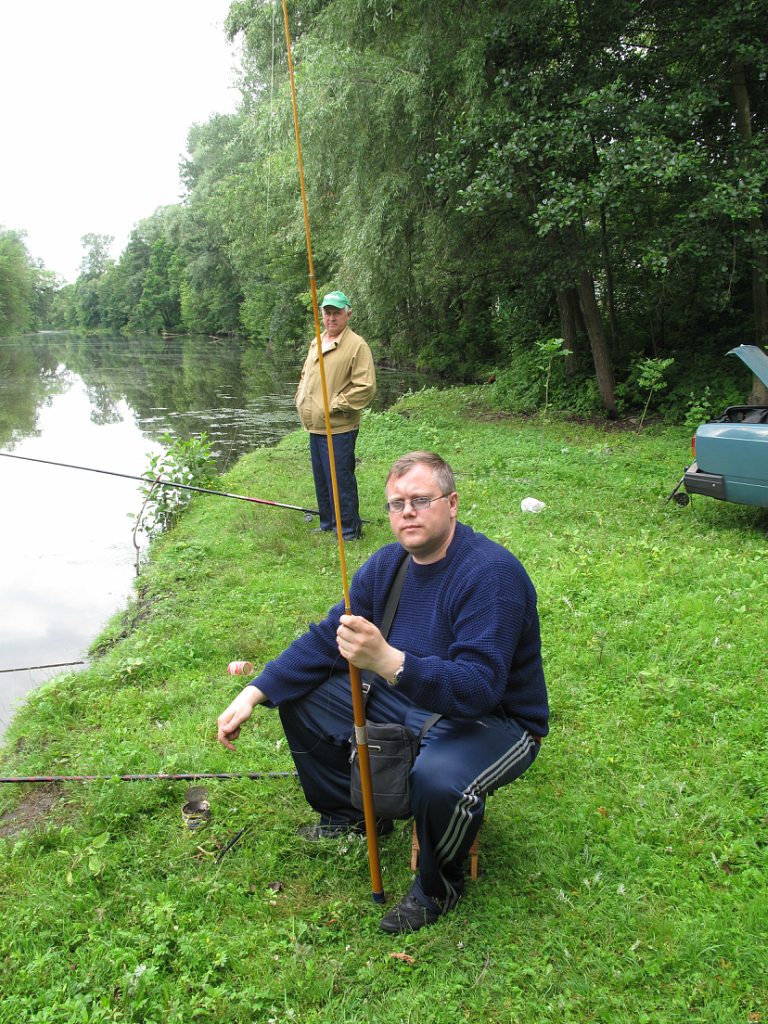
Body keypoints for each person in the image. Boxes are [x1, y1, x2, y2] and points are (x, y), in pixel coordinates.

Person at [217, 451, 548, 933]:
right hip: (411, 697)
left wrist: (390, 662)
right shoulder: (389, 564)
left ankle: (439, 886)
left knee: (439, 779)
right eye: (396, 504)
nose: (407, 512)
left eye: (420, 499)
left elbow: (478, 689)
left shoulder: (490, 575)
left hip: (495, 720)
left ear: (452, 503)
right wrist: (255, 691)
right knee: (303, 695)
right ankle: (351, 814)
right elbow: (328, 637)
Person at [295, 290, 376, 540]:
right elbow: (305, 376)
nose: (331, 317)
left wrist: (335, 405)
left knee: (340, 479)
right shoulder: (317, 341)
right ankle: (328, 523)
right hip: (316, 426)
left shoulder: (356, 345)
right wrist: (300, 396)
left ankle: (350, 531)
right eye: (327, 312)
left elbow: (366, 387)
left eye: (336, 312)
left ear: (347, 314)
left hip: (339, 427)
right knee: (322, 478)